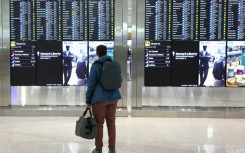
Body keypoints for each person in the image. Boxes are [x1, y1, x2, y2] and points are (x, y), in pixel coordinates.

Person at [86, 45, 121, 153]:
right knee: (111, 123)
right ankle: (112, 148)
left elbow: (91, 84)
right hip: (114, 97)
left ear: (97, 53)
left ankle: (99, 148)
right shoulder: (114, 64)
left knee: (99, 124)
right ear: (106, 53)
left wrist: (88, 101)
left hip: (99, 99)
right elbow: (120, 80)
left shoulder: (96, 65)